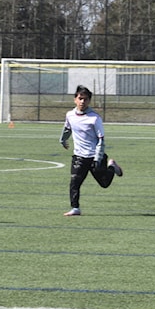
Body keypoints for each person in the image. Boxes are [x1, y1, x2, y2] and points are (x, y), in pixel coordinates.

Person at [59, 85, 123, 216]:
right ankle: (75, 208)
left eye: (86, 99)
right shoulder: (70, 115)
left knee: (104, 184)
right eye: (80, 98)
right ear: (75, 99)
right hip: (79, 156)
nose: (82, 102)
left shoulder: (94, 118)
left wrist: (97, 158)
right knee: (74, 182)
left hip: (94, 156)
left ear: (89, 101)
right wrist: (63, 140)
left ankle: (111, 166)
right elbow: (67, 128)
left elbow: (101, 140)